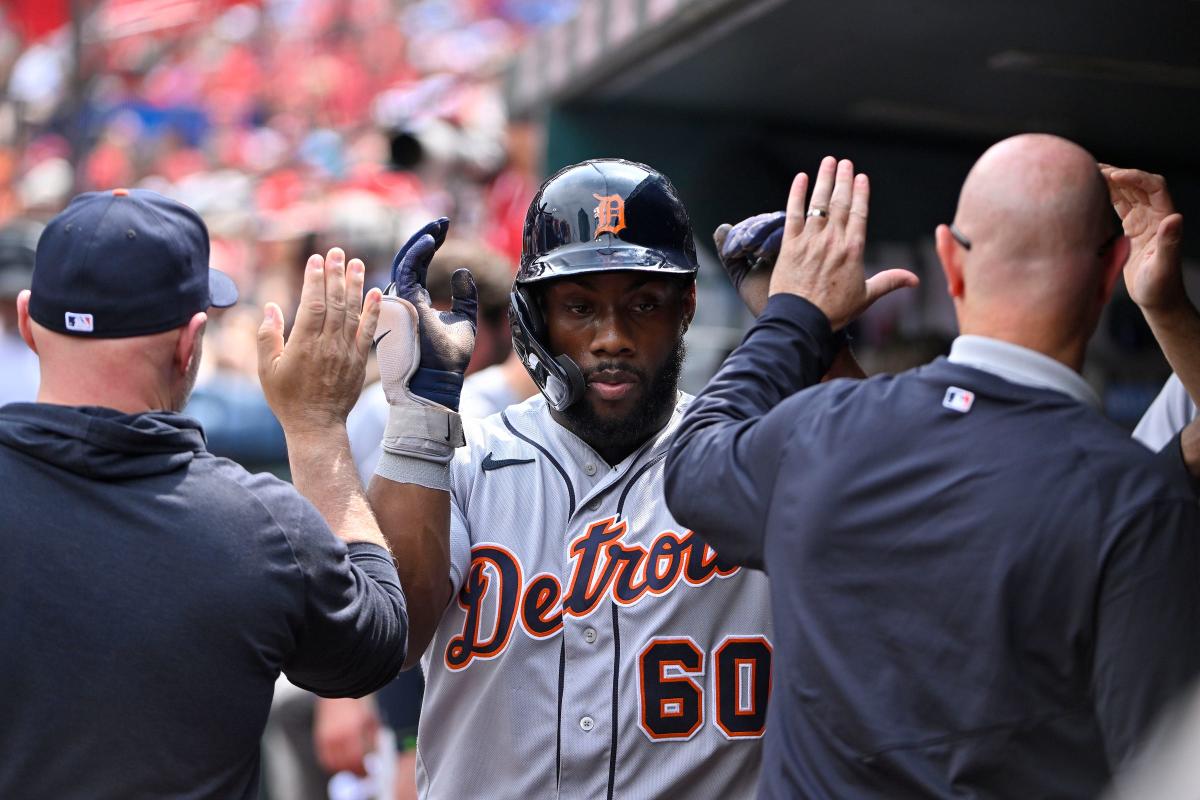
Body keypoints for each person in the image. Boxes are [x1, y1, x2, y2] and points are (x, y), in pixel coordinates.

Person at [308, 159, 881, 799]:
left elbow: (886, 526)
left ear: (686, 306)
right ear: (535, 317)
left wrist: (818, 337)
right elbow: (395, 639)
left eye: (643, 304)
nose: (612, 337)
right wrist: (417, 418)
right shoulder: (466, 460)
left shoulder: (741, 462)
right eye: (579, 307)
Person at [664, 140, 1200, 798]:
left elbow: (693, 466)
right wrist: (1168, 307)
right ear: (1112, 270)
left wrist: (795, 317)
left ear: (950, 261)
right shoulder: (1137, 500)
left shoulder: (823, 430)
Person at [0, 188, 407, 799]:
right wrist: (317, 429)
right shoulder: (260, 528)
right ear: (191, 342)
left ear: (29, 322)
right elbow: (377, 646)